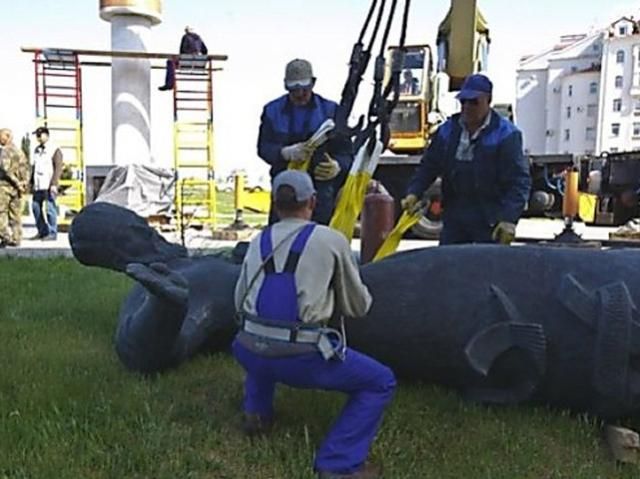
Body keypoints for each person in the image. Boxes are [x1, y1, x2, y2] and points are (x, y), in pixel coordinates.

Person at [232, 170, 396, 479]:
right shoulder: (330, 240)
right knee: (380, 381)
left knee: (260, 341)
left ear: (275, 203)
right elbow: (357, 306)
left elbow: (238, 299)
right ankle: (338, 463)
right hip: (302, 359)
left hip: (248, 349)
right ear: (313, 201)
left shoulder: (258, 240)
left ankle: (256, 412)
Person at [401, 73, 531, 245]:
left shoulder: (506, 135)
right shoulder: (448, 130)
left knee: (485, 269)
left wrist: (509, 219)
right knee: (449, 267)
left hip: (489, 220)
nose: (467, 107)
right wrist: (414, 192)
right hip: (455, 219)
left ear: (488, 100)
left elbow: (519, 181)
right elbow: (429, 166)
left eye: (474, 102)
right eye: (463, 101)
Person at [257, 58, 353, 225]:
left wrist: (338, 166)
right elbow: (263, 148)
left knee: (319, 239)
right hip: (285, 192)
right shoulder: (272, 111)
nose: (300, 94)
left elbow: (347, 154)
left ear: (313, 83)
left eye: (304, 89)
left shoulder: (331, 111)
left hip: (321, 192)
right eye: (294, 90)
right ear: (286, 86)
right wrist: (284, 153)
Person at [31, 126, 63, 240]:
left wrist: (54, 183)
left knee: (50, 209)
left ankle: (52, 232)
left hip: (49, 184)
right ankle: (42, 231)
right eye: (37, 135)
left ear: (47, 135)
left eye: (40, 135)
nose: (38, 137)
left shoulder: (54, 149)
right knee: (35, 207)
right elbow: (34, 167)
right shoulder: (37, 150)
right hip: (38, 184)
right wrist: (31, 183)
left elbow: (58, 167)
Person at [0, 128, 30, 247]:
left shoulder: (5, 152)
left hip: (4, 187)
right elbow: (25, 169)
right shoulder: (20, 151)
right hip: (17, 189)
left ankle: (5, 237)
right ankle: (17, 238)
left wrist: (17, 183)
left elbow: (6, 170)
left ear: (7, 137)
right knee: (15, 215)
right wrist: (23, 184)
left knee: (1, 213)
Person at [158, 26, 209, 91]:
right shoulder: (199, 38)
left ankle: (169, 84)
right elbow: (205, 51)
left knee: (170, 62)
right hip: (197, 64)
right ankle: (169, 84)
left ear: (187, 31)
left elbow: (182, 51)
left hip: (186, 62)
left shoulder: (185, 37)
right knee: (173, 62)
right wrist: (200, 59)